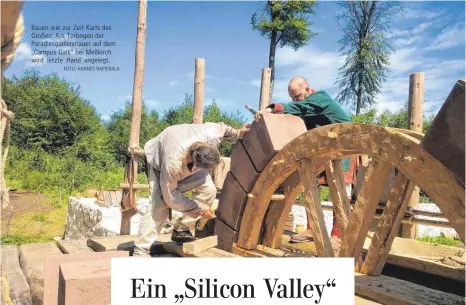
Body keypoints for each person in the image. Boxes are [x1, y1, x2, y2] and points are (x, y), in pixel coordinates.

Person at [254, 76, 352, 249]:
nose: (295, 100)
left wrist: (273, 108)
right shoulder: (308, 106)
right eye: (292, 98)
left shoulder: (320, 98)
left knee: (339, 190)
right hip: (324, 149)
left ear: (307, 89)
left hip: (344, 147)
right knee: (309, 185)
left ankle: (339, 235)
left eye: (297, 96)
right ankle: (312, 229)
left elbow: (301, 107)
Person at [133, 122, 251, 256]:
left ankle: (181, 228)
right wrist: (200, 210)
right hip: (159, 161)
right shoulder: (173, 163)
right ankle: (141, 250)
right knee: (160, 204)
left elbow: (224, 129)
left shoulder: (211, 133)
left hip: (183, 149)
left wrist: (238, 132)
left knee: (209, 190)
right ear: (196, 163)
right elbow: (170, 197)